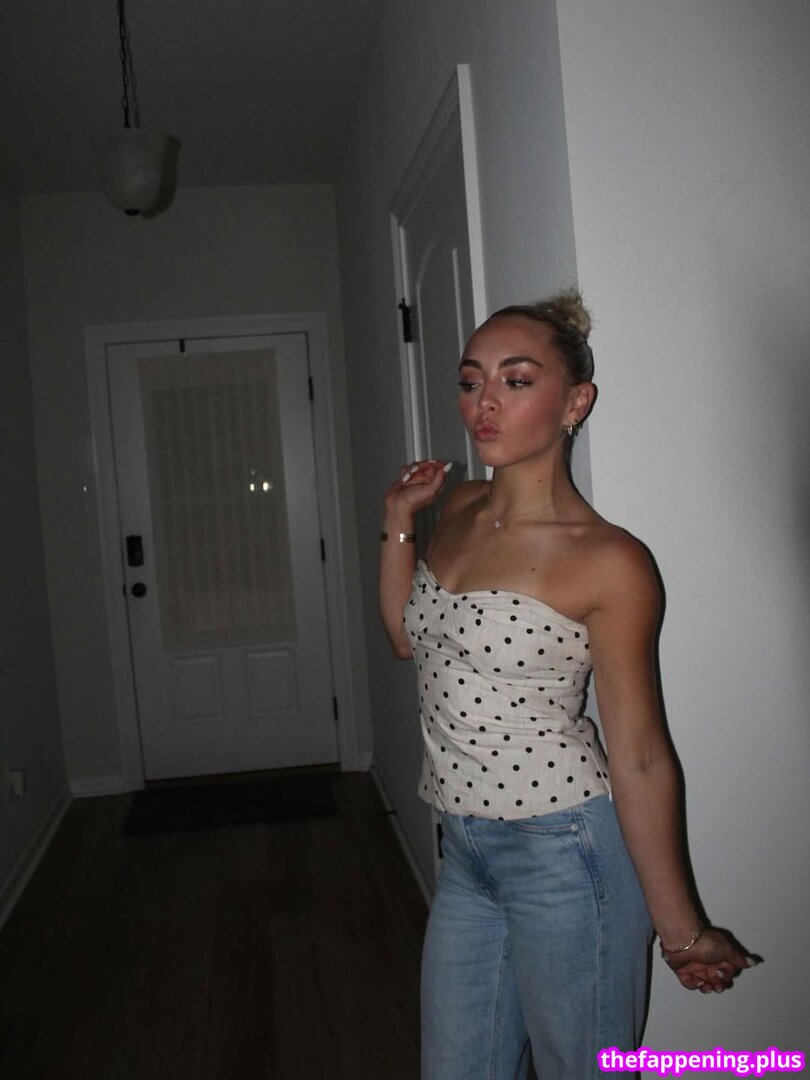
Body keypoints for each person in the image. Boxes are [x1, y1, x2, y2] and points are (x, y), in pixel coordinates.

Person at [378, 289, 753, 1079]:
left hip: (565, 854)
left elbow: (640, 754)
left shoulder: (609, 560)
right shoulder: (460, 507)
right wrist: (399, 519)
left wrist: (681, 932)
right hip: (465, 852)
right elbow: (407, 639)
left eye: (516, 380)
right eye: (471, 380)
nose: (483, 402)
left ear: (575, 402)